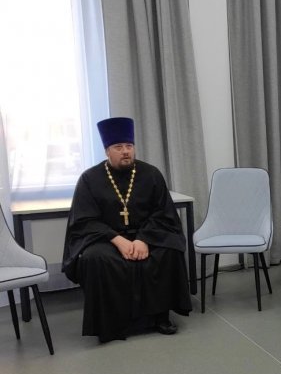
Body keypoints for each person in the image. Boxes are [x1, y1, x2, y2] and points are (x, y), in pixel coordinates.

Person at [63, 117, 192, 342]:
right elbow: (85, 221)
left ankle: (160, 317)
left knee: (168, 251)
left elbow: (163, 213)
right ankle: (112, 324)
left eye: (129, 146)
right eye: (118, 147)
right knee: (95, 258)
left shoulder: (151, 174)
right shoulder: (89, 179)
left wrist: (143, 239)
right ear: (107, 151)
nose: (125, 151)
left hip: (146, 235)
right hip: (107, 239)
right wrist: (117, 239)